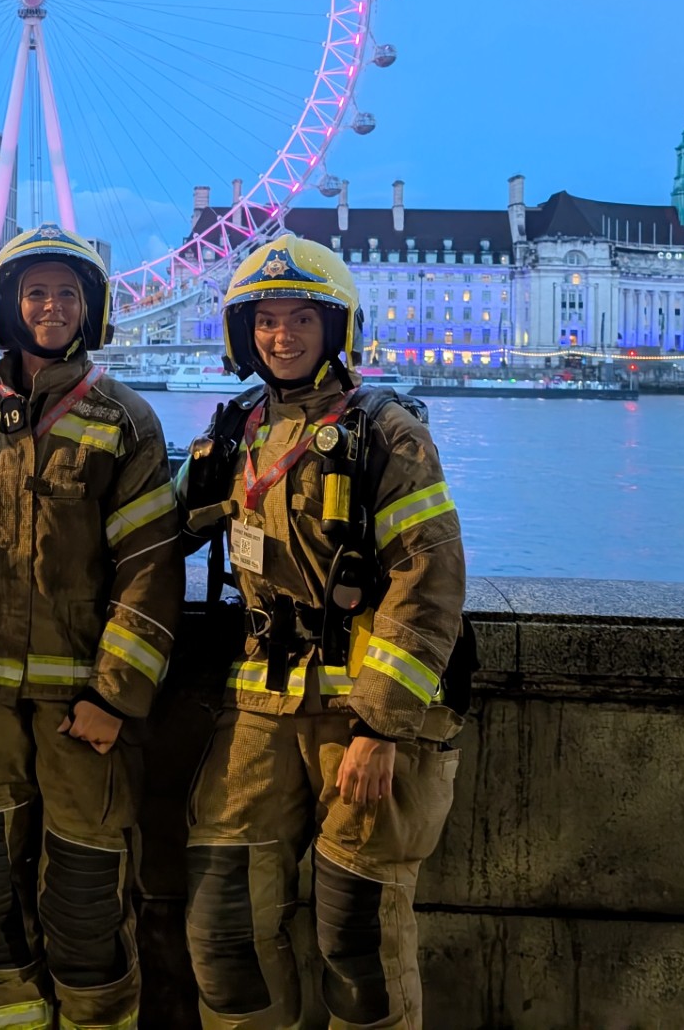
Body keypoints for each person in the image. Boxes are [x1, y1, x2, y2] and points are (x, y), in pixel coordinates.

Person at [0, 224, 183, 1030]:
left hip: (81, 717)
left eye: (67, 293)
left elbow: (153, 570)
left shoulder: (126, 421)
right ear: (6, 307)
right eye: (35, 293)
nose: (51, 307)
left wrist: (115, 698)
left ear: (92, 309)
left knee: (87, 907)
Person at [178, 236, 471, 1030]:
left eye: (301, 317)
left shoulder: (388, 432)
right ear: (245, 333)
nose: (282, 335)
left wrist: (381, 723)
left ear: (336, 327)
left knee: (356, 938)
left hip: (363, 718)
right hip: (260, 712)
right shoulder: (235, 429)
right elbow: (158, 529)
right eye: (266, 320)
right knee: (223, 925)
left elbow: (430, 578)